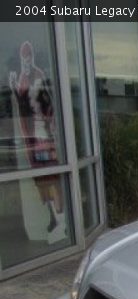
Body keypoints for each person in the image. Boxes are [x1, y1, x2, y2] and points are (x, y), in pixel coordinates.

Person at [8, 40, 63, 234]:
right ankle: (54, 217)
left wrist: (52, 126)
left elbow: (48, 104)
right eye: (23, 56)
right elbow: (22, 106)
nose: (26, 60)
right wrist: (14, 88)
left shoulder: (38, 75)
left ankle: (60, 216)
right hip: (31, 139)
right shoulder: (22, 78)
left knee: (52, 177)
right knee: (41, 181)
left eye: (28, 55)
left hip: (44, 137)